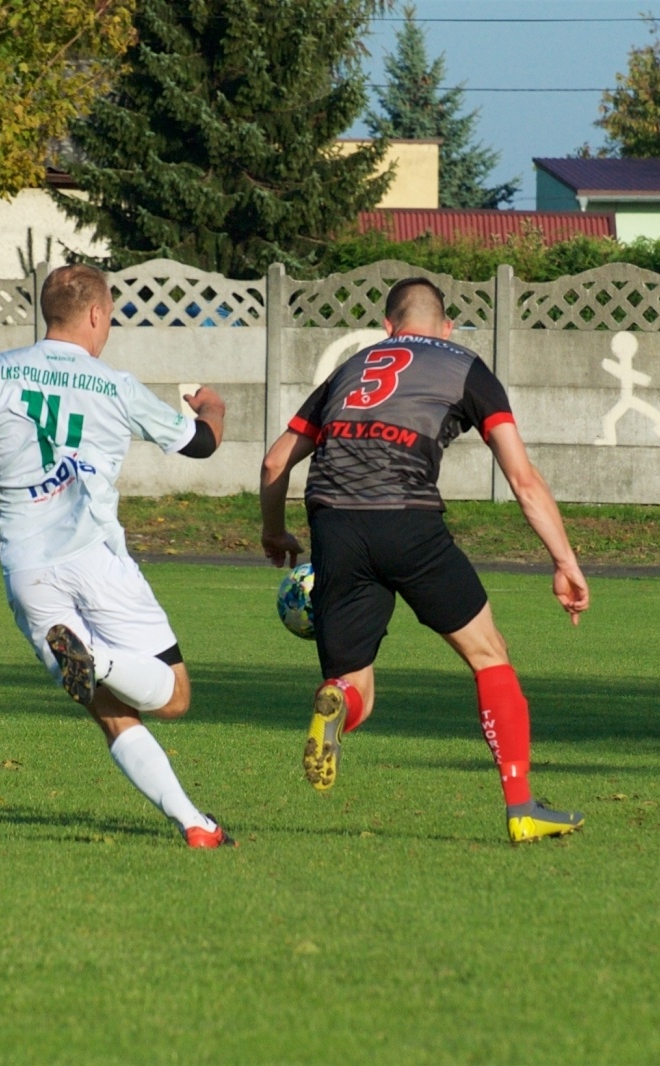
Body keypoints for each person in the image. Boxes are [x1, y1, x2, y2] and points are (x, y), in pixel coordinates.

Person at [258, 277, 591, 844]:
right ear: (446, 327)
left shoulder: (352, 366)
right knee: (490, 656)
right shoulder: (466, 366)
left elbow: (273, 464)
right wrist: (565, 561)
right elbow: (523, 479)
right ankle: (521, 808)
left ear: (388, 326)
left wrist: (274, 533)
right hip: (408, 521)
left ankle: (339, 704)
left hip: (334, 523)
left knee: (355, 680)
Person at [0, 263, 233, 848]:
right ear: (96, 314)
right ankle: (102, 662)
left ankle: (196, 825)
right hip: (96, 558)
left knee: (110, 712)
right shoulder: (115, 385)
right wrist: (212, 404)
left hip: (28, 570)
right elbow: (202, 444)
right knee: (174, 695)